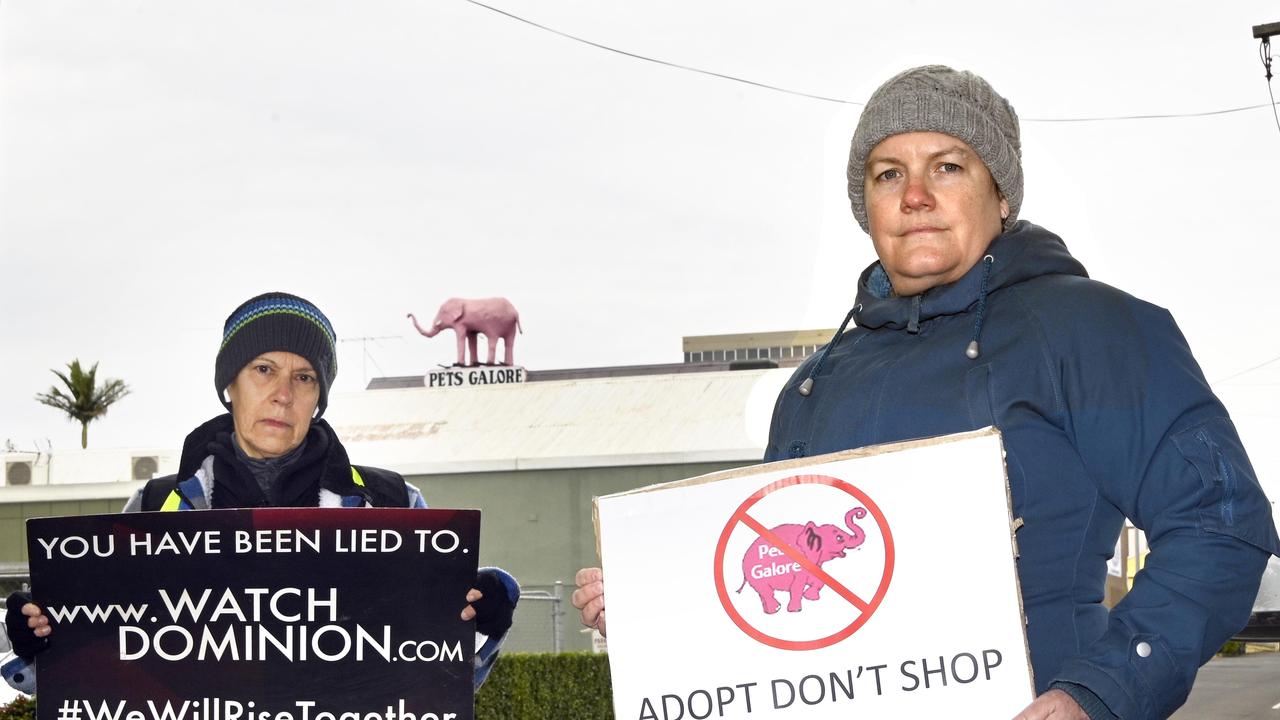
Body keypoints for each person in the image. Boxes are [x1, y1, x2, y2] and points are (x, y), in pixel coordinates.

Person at [574, 66, 1280, 719]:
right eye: (888, 174)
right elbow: (790, 592)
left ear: (999, 192)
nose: (916, 196)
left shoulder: (1091, 330)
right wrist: (660, 611)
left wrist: (1099, 691)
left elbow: (1220, 524)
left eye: (947, 166)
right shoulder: (814, 386)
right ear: (867, 206)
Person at [5, 292, 519, 694]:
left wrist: (481, 620)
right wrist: (46, 641)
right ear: (230, 383)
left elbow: (438, 678)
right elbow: (104, 677)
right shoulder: (154, 507)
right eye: (264, 369)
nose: (283, 394)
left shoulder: (391, 504)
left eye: (305, 376)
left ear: (319, 397)